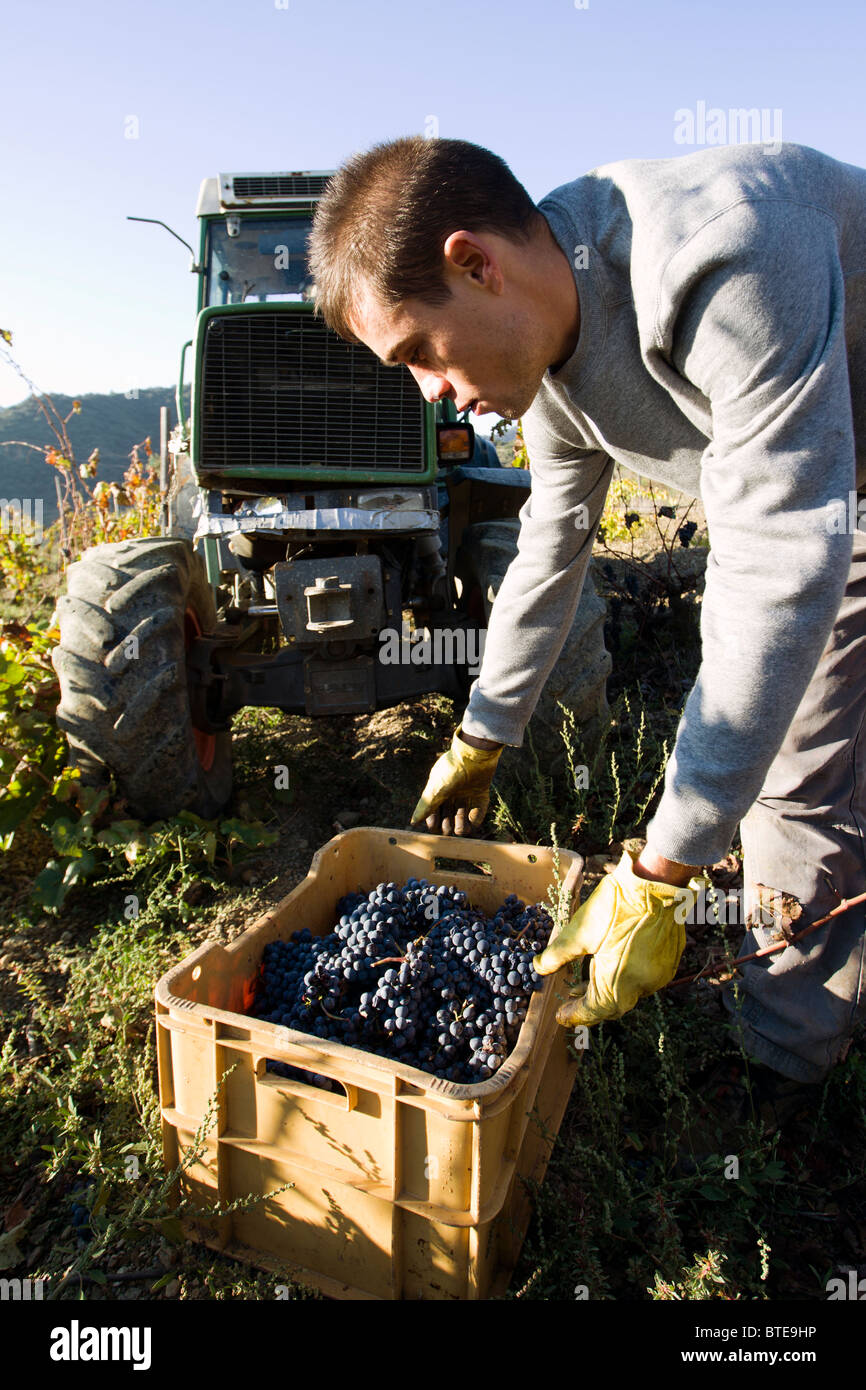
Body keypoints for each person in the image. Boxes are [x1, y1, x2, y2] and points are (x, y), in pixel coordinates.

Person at [307, 135, 866, 1105]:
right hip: (829, 484)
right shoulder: (546, 354)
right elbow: (548, 548)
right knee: (800, 749)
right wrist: (486, 729)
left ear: (473, 263)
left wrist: (662, 867)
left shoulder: (720, 256)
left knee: (790, 768)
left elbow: (777, 559)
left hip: (826, 492)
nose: (427, 391)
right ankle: (792, 1044)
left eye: (416, 355)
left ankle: (784, 1082)